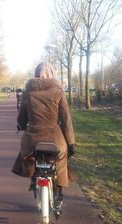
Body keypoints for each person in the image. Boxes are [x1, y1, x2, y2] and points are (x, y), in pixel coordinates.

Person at [12, 62, 76, 214]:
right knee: (61, 159)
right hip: (54, 138)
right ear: (52, 75)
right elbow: (66, 120)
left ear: (35, 75)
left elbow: (21, 116)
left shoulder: (28, 92)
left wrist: (21, 125)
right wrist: (71, 143)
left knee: (27, 154)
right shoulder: (59, 92)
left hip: (32, 139)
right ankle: (59, 194)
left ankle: (34, 178)